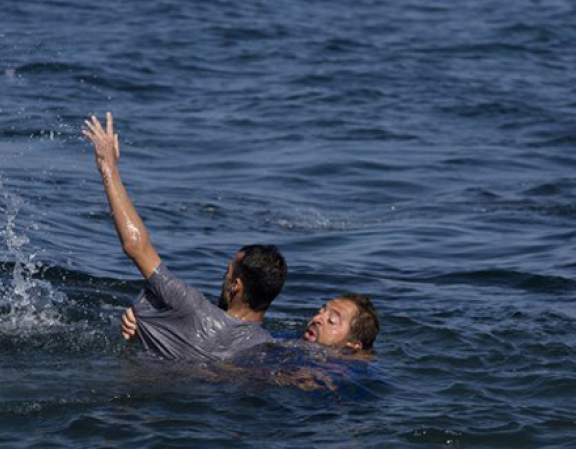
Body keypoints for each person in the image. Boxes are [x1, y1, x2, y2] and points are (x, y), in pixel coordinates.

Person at [82, 113, 287, 361]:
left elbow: (135, 246)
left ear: (236, 285)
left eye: (228, 272)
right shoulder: (266, 345)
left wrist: (108, 168)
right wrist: (147, 330)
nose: (223, 278)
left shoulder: (191, 307)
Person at [122, 292, 380, 353]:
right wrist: (148, 331)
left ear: (353, 344)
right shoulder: (281, 340)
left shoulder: (344, 372)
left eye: (331, 320)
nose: (317, 318)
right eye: (321, 311)